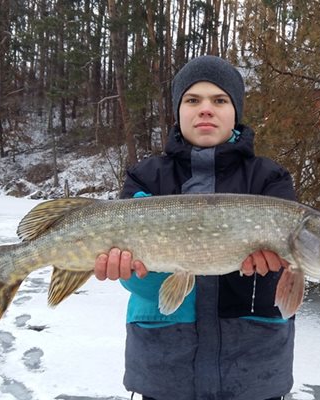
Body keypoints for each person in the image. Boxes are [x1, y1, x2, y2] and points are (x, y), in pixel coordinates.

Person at [93, 55, 302, 400]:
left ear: (236, 111)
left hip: (253, 369)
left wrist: (273, 269)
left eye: (219, 100)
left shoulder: (269, 179)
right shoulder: (145, 177)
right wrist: (127, 270)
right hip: (166, 368)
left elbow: (283, 286)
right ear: (178, 111)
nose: (206, 109)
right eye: (192, 100)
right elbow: (141, 285)